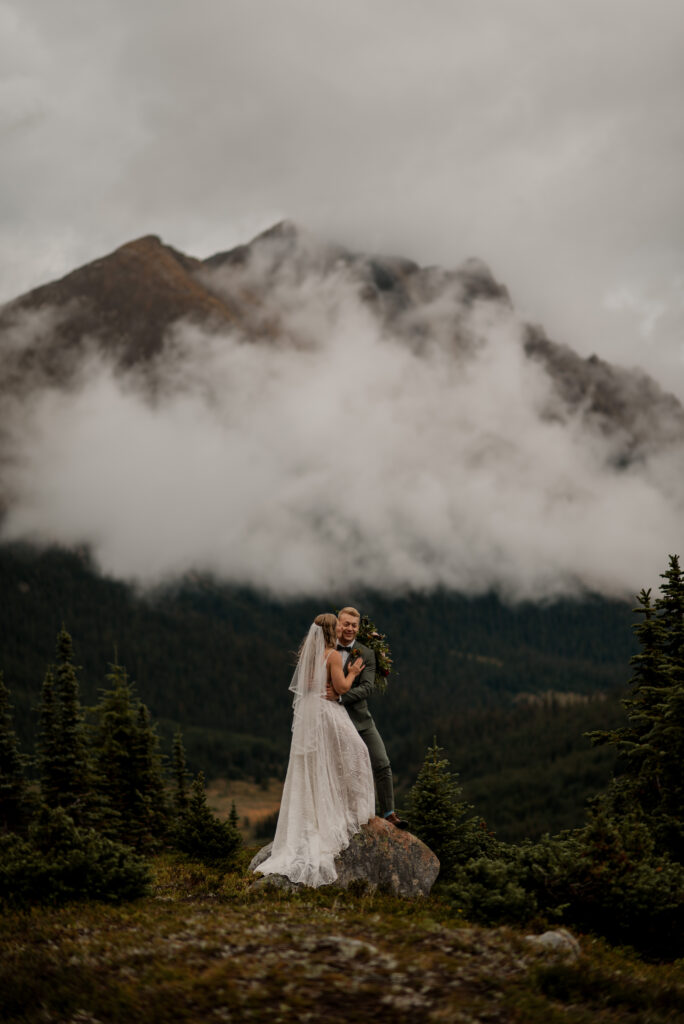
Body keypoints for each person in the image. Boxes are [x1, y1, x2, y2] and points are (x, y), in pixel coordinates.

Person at [255, 613, 375, 887]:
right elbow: (342, 687)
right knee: (356, 752)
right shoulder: (332, 655)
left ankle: (316, 812)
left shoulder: (308, 657)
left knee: (314, 762)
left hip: (309, 713)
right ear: (332, 631)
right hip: (325, 713)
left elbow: (307, 686)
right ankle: (351, 810)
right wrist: (354, 672)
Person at [326, 606, 408, 829]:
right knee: (338, 769)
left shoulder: (367, 653)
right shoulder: (326, 650)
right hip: (332, 721)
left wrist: (339, 698)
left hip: (361, 720)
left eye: (354, 625)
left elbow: (367, 688)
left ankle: (389, 813)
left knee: (382, 762)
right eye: (346, 624)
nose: (349, 629)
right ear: (338, 625)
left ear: (358, 628)